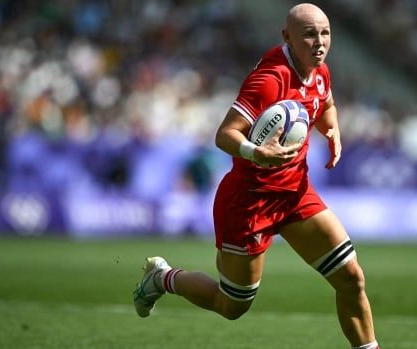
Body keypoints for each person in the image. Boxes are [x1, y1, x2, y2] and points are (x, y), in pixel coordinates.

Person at [133, 3, 379, 348]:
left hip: (295, 194)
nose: (319, 42)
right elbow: (225, 134)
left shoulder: (319, 70)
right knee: (232, 305)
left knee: (351, 278)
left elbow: (325, 103)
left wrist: (333, 130)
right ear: (287, 37)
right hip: (249, 203)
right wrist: (255, 152)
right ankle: (162, 278)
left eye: (325, 33)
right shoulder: (269, 80)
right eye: (309, 34)